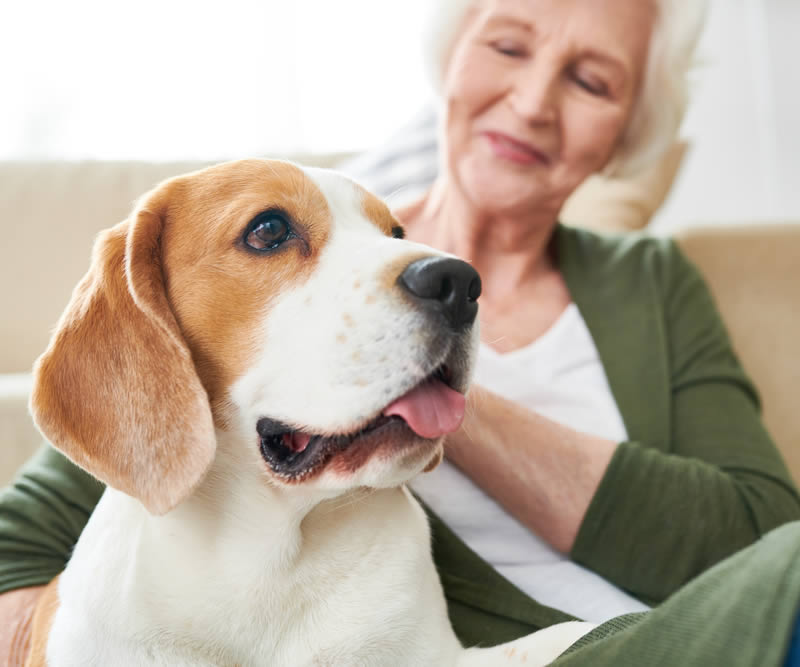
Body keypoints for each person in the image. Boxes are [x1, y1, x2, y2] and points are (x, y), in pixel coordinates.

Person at [2, 0, 800, 662]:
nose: (532, 102)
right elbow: (38, 532)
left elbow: (762, 534)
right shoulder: (268, 272)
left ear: (628, 130)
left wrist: (431, 383)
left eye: (591, 80)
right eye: (508, 45)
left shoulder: (652, 281)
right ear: (452, 59)